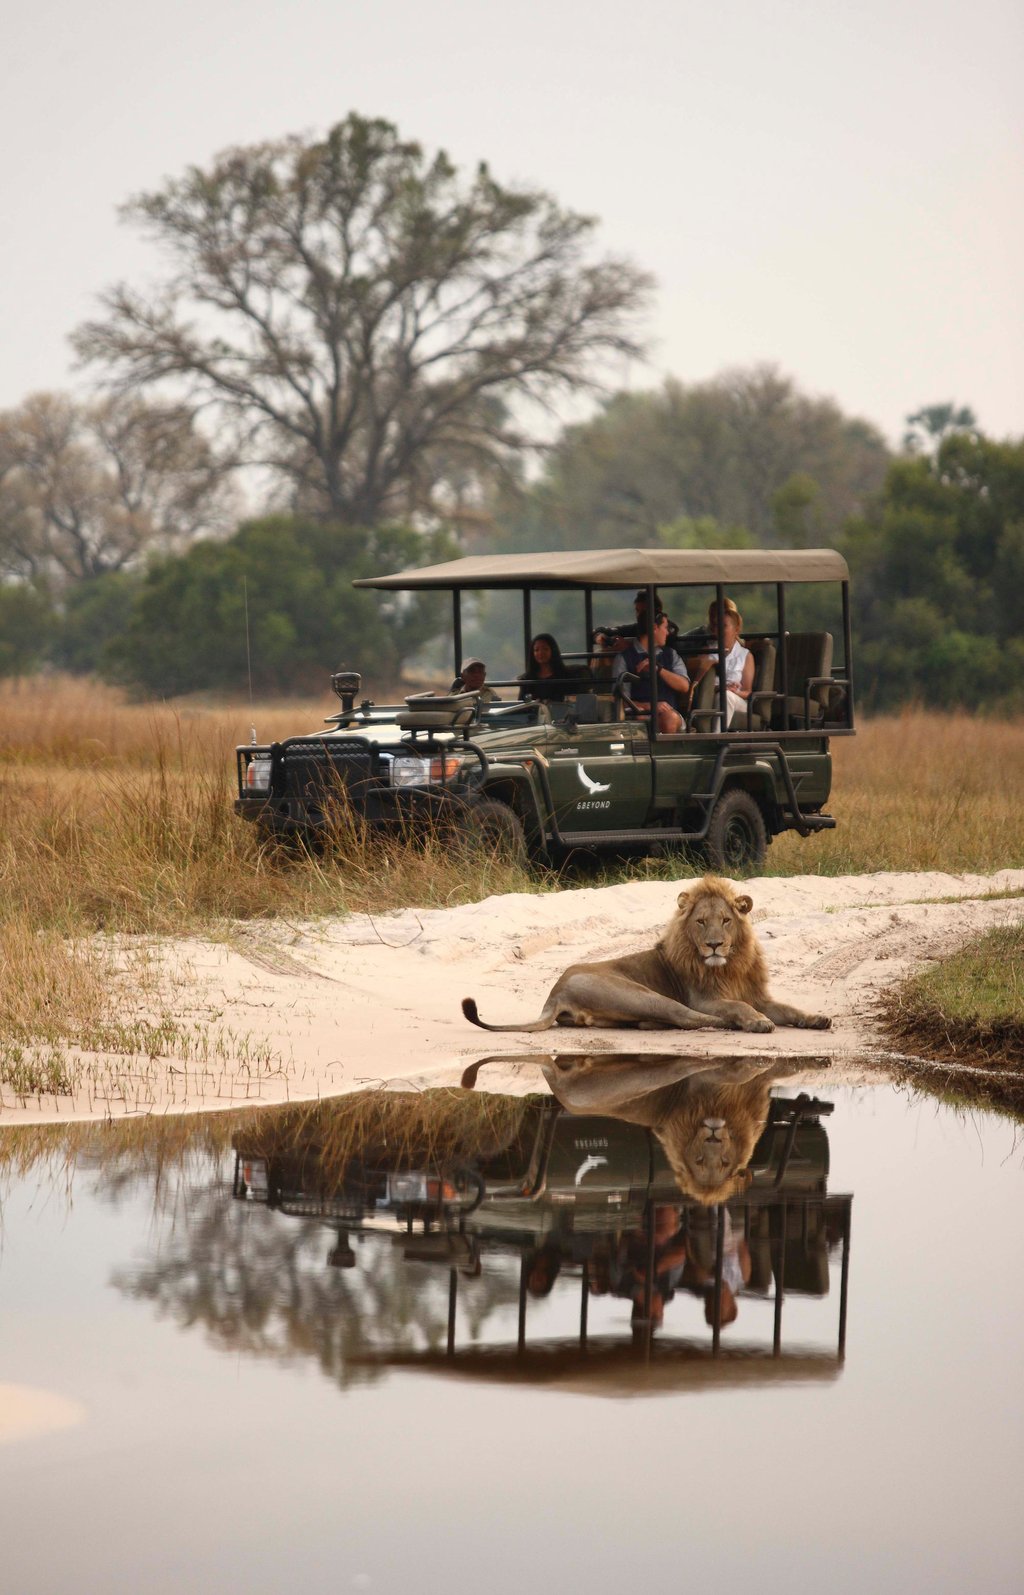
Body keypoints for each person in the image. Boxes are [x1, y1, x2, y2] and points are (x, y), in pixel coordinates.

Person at [613, 612, 689, 733]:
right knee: (640, 718)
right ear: (654, 628)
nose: (668, 632)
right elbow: (621, 701)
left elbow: (684, 686)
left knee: (669, 718)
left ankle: (664, 750)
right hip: (639, 713)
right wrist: (650, 706)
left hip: (670, 713)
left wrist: (658, 670)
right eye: (665, 627)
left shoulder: (671, 654)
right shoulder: (624, 658)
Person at [690, 598, 754, 728]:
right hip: (711, 697)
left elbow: (748, 691)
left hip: (737, 700)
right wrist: (719, 688)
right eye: (716, 626)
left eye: (724, 626)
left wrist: (734, 692)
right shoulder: (707, 651)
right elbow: (698, 683)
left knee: (726, 697)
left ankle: (717, 738)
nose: (719, 630)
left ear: (736, 629)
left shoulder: (745, 655)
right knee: (722, 696)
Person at [517, 633, 575, 703]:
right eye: (536, 650)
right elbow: (521, 704)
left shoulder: (566, 676)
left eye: (545, 649)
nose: (540, 653)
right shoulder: (527, 679)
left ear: (553, 650)